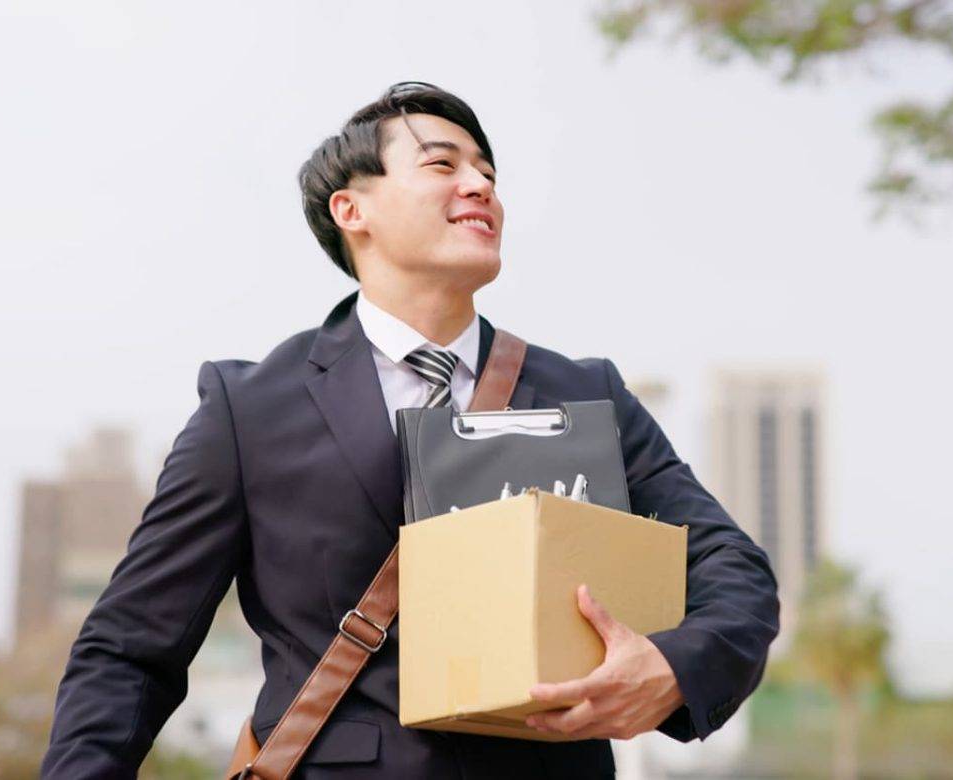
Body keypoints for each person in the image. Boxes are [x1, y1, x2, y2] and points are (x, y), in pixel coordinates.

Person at [40, 81, 779, 779]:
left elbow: (730, 568)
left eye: (488, 172)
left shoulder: (589, 393)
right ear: (351, 210)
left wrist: (674, 667)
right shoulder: (249, 407)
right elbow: (130, 649)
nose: (481, 185)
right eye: (442, 164)